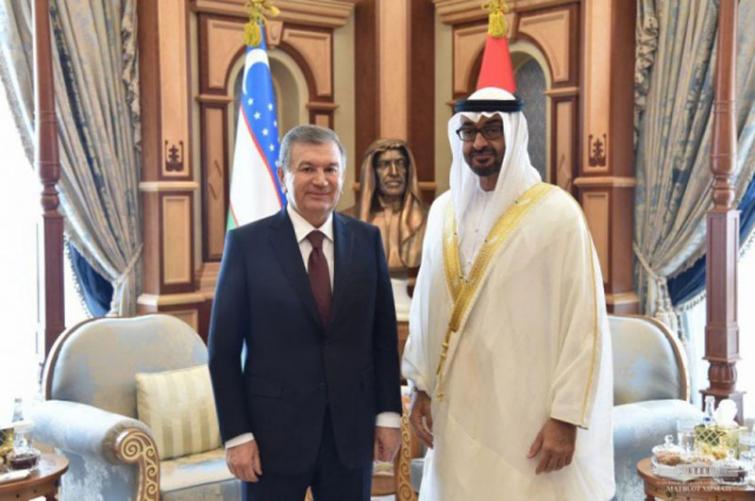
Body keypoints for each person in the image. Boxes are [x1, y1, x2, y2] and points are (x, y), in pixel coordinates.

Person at [402, 87, 615, 500]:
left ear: (515, 134)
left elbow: (583, 322)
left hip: (527, 413)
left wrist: (566, 417)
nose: (479, 142)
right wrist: (420, 386)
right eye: (469, 132)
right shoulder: (443, 211)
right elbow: (427, 306)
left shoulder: (558, 214)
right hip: (457, 408)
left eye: (492, 129)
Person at [208, 125, 403, 501]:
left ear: (342, 176)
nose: (321, 180)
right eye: (307, 168)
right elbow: (223, 352)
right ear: (283, 175)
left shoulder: (366, 240)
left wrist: (388, 416)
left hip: (350, 436)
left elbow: (382, 339)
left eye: (331, 169)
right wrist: (237, 435)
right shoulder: (247, 245)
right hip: (270, 438)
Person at [353, 139, 427, 275]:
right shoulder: (348, 220)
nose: (394, 172)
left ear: (409, 170)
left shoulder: (430, 219)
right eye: (384, 165)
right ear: (371, 172)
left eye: (401, 163)